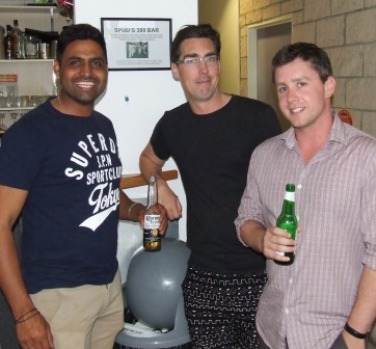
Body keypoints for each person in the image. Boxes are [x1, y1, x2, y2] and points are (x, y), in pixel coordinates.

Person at [0, 23, 167, 349]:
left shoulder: (103, 126)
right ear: (57, 67)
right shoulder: (28, 135)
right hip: (57, 298)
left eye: (97, 62)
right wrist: (23, 314)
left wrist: (137, 211)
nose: (87, 71)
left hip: (107, 286)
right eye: (76, 61)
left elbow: (104, 187)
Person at [139, 24, 281, 348]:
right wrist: (159, 184)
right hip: (204, 274)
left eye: (210, 58)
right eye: (191, 60)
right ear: (175, 70)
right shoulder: (173, 123)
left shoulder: (258, 117)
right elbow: (148, 159)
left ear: (219, 63)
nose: (203, 70)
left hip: (261, 272)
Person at [235, 42, 376, 349]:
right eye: (283, 88)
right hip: (271, 331)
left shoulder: (366, 156)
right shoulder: (264, 155)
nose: (291, 97)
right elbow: (245, 219)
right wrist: (261, 239)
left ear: (328, 86)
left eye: (301, 84)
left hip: (332, 336)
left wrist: (355, 333)